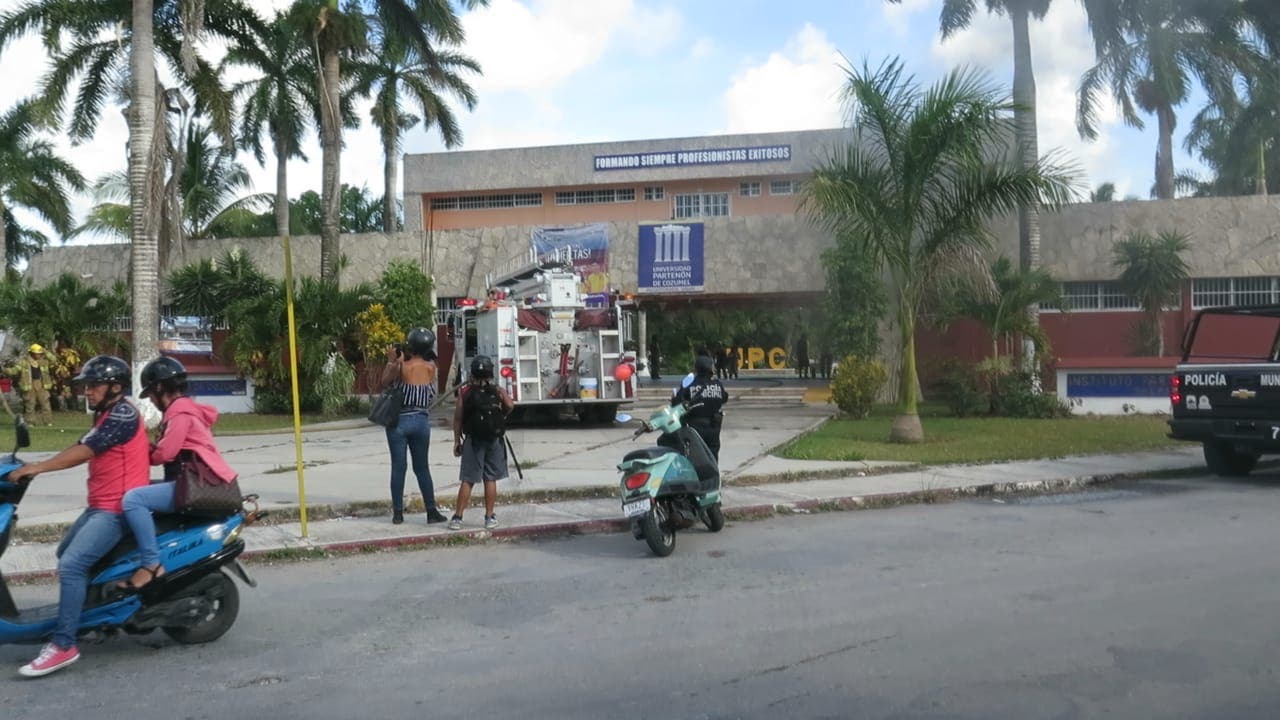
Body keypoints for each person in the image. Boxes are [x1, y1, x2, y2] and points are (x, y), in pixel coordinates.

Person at [9, 355, 150, 678]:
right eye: (86, 386)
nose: (88, 391)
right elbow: (81, 444)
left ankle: (64, 644)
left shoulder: (123, 414)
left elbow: (85, 451)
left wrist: (37, 467)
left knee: (72, 564)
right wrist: (27, 465)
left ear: (115, 387)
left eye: (94, 385)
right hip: (101, 504)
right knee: (64, 554)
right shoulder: (107, 413)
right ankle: (86, 616)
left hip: (117, 508)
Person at [117, 356, 238, 593]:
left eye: (151, 393)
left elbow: (165, 454)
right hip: (192, 480)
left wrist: (139, 448)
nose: (151, 399)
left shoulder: (179, 412)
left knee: (133, 499)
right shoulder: (185, 409)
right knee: (137, 487)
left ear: (160, 387)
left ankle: (151, 564)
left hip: (195, 485)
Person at [380, 327, 447, 525]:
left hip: (399, 421)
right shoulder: (431, 368)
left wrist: (392, 360)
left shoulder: (402, 367)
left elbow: (385, 381)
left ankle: (398, 513)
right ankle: (431, 511)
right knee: (422, 468)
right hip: (421, 422)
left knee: (399, 468)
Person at [448, 356, 514, 531]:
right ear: (490, 372)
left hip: (473, 441)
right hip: (494, 440)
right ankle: (489, 516)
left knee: (468, 479)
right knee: (490, 478)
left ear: (473, 373)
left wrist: (457, 441)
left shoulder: (465, 393)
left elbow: (457, 419)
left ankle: (457, 517)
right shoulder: (498, 391)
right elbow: (510, 405)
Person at [671, 353, 730, 460]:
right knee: (712, 457)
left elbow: (677, 402)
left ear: (697, 368)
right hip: (714, 427)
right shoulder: (717, 384)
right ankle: (714, 476)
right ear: (710, 368)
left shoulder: (689, 384)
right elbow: (724, 398)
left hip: (694, 427)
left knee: (695, 458)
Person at [18, 343, 53, 425]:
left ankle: (48, 422)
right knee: (30, 405)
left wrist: (45, 351)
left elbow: (54, 360)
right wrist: (5, 370)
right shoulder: (24, 362)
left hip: (41, 384)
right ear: (32, 353)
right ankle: (30, 422)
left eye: (40, 354)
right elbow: (15, 370)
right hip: (30, 385)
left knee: (46, 404)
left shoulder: (44, 362)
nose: (39, 355)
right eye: (37, 354)